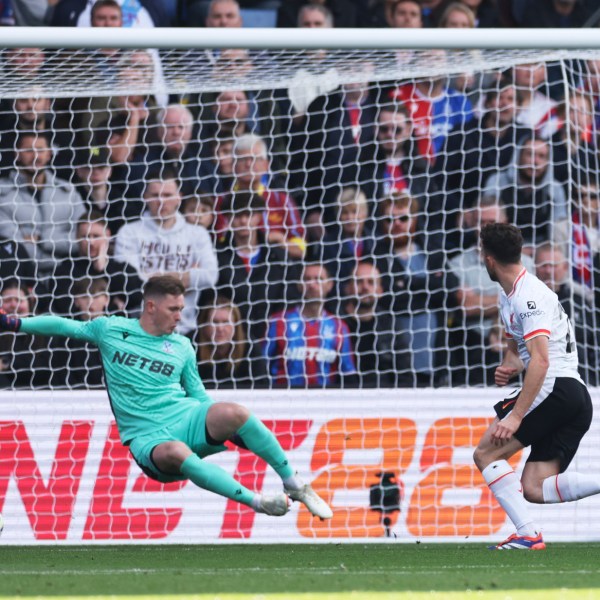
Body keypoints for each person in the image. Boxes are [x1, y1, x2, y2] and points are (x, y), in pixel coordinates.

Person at [0, 274, 333, 520]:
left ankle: (294, 483)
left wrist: (230, 429)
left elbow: (199, 396)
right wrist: (14, 323)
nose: (180, 316)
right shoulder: (111, 330)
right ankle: (258, 502)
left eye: (181, 308)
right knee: (177, 452)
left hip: (184, 417)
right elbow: (62, 325)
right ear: (150, 306)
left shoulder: (183, 346)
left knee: (235, 412)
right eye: (174, 309)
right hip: (148, 438)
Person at [474, 222, 600, 551]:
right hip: (571, 393)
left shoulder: (528, 296)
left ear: (488, 259)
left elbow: (541, 361)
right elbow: (523, 351)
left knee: (486, 453)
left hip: (555, 387)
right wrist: (509, 366)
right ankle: (528, 533)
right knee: (534, 486)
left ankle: (528, 534)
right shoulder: (511, 294)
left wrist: (515, 416)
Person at [264, 262, 357, 388]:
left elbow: (348, 373)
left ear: (329, 285)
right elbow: (262, 366)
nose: (312, 285)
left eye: (319, 279)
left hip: (324, 402)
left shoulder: (339, 326)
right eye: (307, 279)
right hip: (284, 400)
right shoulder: (278, 322)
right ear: (299, 285)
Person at [342, 260, 413, 387]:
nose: (365, 287)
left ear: (380, 291)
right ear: (347, 288)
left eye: (371, 282)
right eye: (359, 282)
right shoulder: (335, 322)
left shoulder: (390, 325)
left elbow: (404, 371)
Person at [194, 296, 268, 389]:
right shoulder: (191, 346)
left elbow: (261, 387)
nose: (220, 328)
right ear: (204, 325)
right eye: (215, 322)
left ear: (236, 325)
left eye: (225, 322)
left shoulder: (250, 347)